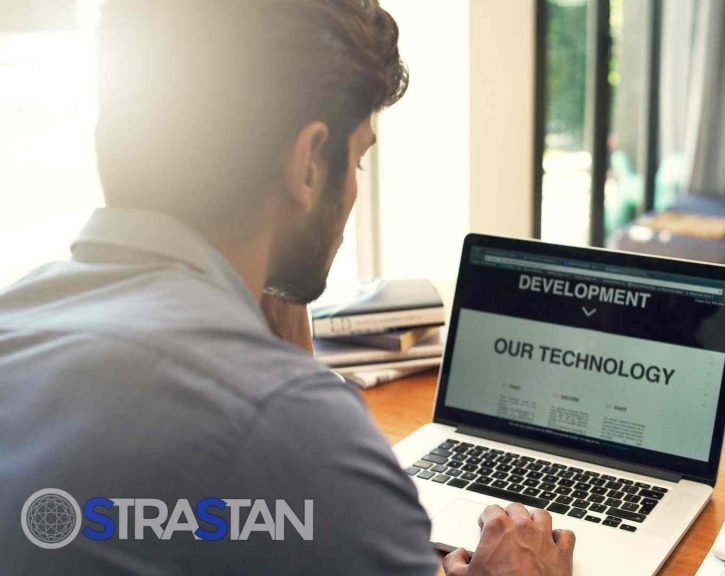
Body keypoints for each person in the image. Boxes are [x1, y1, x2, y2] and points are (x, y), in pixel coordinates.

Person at [0, 1, 574, 574]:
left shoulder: (20, 322)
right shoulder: (293, 430)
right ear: (307, 165)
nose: (351, 191)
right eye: (356, 162)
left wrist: (277, 329)